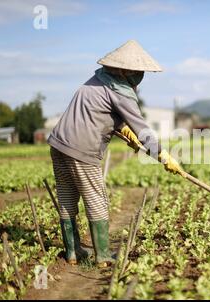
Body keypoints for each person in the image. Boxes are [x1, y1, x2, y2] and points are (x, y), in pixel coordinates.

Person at [47, 40, 183, 268]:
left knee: (67, 196)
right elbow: (142, 127)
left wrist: (123, 130)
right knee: (96, 199)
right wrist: (163, 155)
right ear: (124, 70)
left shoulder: (96, 81)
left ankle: (72, 252)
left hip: (59, 144)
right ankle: (102, 255)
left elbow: (100, 114)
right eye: (138, 71)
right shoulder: (120, 91)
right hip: (82, 150)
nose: (140, 75)